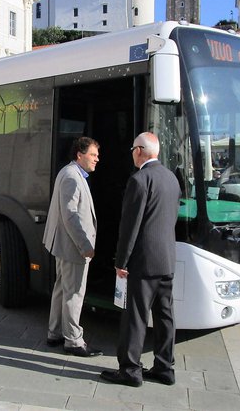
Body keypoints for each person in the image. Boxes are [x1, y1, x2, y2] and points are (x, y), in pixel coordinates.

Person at [100, 132, 181, 387]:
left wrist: (121, 261)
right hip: (167, 260)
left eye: (133, 149)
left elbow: (130, 226)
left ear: (139, 151)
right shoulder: (171, 178)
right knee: (165, 315)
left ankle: (130, 370)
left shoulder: (139, 179)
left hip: (143, 262)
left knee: (135, 316)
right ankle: (164, 368)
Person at [43, 136, 102, 357]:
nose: (97, 159)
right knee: (74, 292)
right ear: (80, 154)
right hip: (72, 247)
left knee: (61, 289)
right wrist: (85, 245)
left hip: (64, 246)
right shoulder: (72, 177)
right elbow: (70, 216)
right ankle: (74, 341)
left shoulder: (69, 173)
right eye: (93, 155)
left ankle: (55, 332)